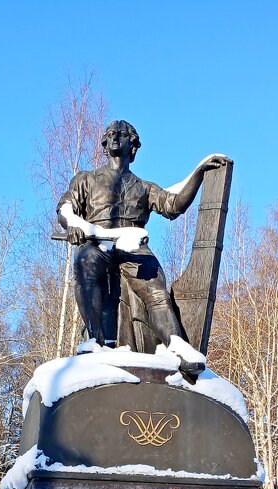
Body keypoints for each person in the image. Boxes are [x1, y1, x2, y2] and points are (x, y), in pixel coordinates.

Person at [57, 120, 230, 375]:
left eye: (122, 134)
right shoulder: (87, 179)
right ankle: (95, 341)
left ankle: (177, 346)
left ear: (133, 145)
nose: (115, 137)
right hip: (98, 241)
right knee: (85, 262)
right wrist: (73, 224)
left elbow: (173, 205)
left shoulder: (143, 187)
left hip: (133, 244)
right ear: (104, 144)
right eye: (110, 134)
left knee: (156, 291)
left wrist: (199, 173)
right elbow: (66, 208)